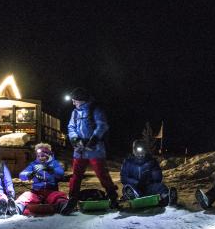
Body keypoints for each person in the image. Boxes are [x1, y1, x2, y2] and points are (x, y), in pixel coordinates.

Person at [60, 87, 119, 215]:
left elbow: (102, 125)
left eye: (75, 100)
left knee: (101, 173)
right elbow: (71, 127)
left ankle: (113, 196)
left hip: (95, 148)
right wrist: (75, 140)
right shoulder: (75, 113)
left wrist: (94, 140)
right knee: (76, 175)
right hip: (80, 149)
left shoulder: (95, 109)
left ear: (81, 100)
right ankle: (73, 198)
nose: (73, 102)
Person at [14, 143, 68, 214]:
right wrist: (29, 174)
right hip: (37, 192)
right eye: (38, 156)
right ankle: (16, 208)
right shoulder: (33, 164)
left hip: (51, 191)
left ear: (48, 155)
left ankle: (64, 207)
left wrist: (49, 169)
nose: (40, 157)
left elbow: (60, 174)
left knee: (59, 196)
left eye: (43, 155)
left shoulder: (54, 163)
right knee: (26, 196)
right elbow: (22, 174)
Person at [120, 139, 178, 206]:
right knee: (127, 188)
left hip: (148, 187)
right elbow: (124, 178)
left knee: (161, 186)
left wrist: (151, 177)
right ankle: (134, 199)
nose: (140, 154)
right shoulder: (128, 162)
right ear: (134, 151)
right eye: (137, 151)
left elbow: (158, 177)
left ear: (145, 151)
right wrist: (136, 182)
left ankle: (167, 198)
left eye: (142, 151)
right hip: (135, 188)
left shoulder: (151, 161)